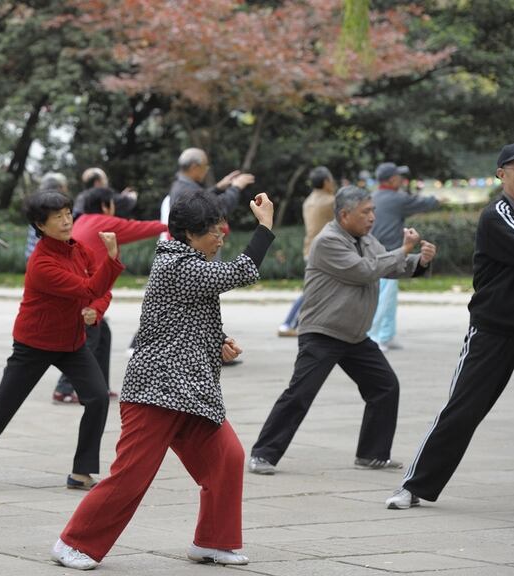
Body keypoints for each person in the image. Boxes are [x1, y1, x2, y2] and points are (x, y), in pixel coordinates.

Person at [52, 191, 276, 570]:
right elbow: (242, 271)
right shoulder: (177, 265)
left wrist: (218, 342)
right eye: (213, 232)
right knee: (131, 476)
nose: (221, 237)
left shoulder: (189, 261)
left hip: (190, 392)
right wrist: (265, 227)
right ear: (188, 233)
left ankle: (213, 542)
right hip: (156, 392)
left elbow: (180, 322)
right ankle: (72, 543)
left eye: (221, 230)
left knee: (228, 458)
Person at [387, 143, 514, 510]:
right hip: (491, 335)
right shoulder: (496, 216)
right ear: (500, 175)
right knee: (461, 412)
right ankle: (413, 487)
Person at [249, 185, 436, 475]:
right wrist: (404, 250)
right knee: (300, 394)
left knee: (385, 387)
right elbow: (363, 271)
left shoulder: (367, 239)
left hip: (355, 336)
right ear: (345, 215)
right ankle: (263, 454)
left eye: (372, 210)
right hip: (323, 333)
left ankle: (372, 454)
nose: (372, 217)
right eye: (366, 212)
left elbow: (388, 266)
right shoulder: (328, 241)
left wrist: (419, 262)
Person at [0, 191, 122, 489]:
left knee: (97, 397)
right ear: (40, 225)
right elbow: (90, 287)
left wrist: (95, 312)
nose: (65, 220)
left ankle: (81, 472)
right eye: (57, 217)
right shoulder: (42, 263)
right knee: (0, 412)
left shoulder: (79, 249)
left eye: (68, 213)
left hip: (71, 344)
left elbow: (101, 292)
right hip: (33, 345)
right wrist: (111, 258)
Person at [51, 187, 167, 404]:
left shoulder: (84, 219)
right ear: (106, 206)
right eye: (113, 202)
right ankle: (64, 388)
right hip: (81, 292)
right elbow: (139, 228)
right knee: (88, 339)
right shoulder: (103, 222)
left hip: (76, 287)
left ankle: (100, 386)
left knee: (102, 334)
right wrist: (176, 226)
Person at [366, 162, 442, 351]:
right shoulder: (396, 198)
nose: (401, 180)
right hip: (390, 254)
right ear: (392, 180)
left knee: (388, 298)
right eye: (399, 177)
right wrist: (438, 200)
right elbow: (421, 203)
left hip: (376, 254)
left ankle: (387, 335)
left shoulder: (373, 197)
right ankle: (374, 338)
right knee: (384, 299)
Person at [278, 166, 337, 337]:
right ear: (326, 182)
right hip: (324, 252)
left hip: (310, 249)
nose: (333, 183)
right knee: (313, 291)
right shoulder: (330, 201)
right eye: (331, 180)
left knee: (319, 290)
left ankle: (311, 325)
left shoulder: (309, 200)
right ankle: (288, 323)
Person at [167, 148, 255, 215]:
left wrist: (218, 188)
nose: (207, 169)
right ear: (194, 167)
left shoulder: (180, 184)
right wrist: (236, 187)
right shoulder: (187, 190)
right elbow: (218, 207)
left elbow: (201, 198)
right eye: (205, 165)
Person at [25, 173, 69, 261]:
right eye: (65, 187)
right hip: (43, 260)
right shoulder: (51, 209)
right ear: (59, 188)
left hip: (32, 257)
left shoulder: (37, 206)